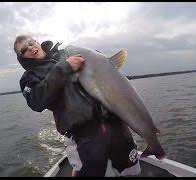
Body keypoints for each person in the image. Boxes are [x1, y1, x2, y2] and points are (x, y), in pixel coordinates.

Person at [13, 35, 141, 177]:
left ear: (37, 42)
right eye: (24, 49)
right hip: (82, 135)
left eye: (31, 43)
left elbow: (99, 66)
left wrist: (100, 61)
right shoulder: (29, 78)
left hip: (115, 124)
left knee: (131, 169)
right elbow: (36, 101)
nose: (30, 48)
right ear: (22, 56)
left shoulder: (66, 53)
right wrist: (64, 68)